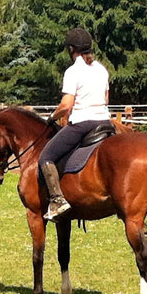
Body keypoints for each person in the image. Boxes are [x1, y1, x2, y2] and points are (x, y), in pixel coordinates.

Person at [38, 27, 112, 222]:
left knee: (46, 156)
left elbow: (67, 105)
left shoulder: (72, 71)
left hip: (83, 124)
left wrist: (53, 116)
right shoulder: (101, 69)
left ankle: (57, 200)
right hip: (105, 122)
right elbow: (105, 98)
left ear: (71, 49)